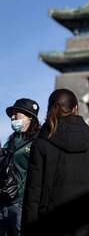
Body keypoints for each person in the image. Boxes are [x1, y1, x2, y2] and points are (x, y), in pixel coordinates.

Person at [21, 89, 89, 236]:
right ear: (76, 108)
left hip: (51, 224)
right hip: (88, 224)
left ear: (50, 109)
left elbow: (33, 193)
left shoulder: (41, 144)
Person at [0, 99, 40, 236]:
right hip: (4, 200)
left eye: (15, 113)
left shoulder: (38, 141)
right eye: (11, 114)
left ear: (29, 117)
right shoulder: (11, 140)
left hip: (21, 202)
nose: (12, 117)